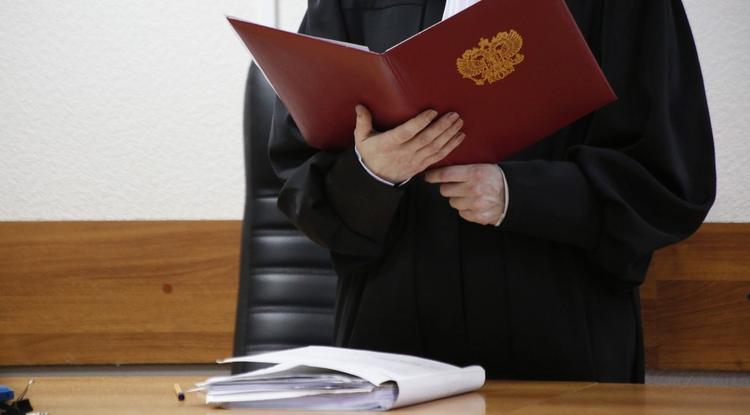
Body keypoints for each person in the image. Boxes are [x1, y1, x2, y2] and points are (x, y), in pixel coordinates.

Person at [267, 0, 716, 383]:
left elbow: (668, 180)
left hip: (560, 337)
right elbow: (299, 174)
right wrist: (372, 173)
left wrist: (518, 194)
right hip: (390, 346)